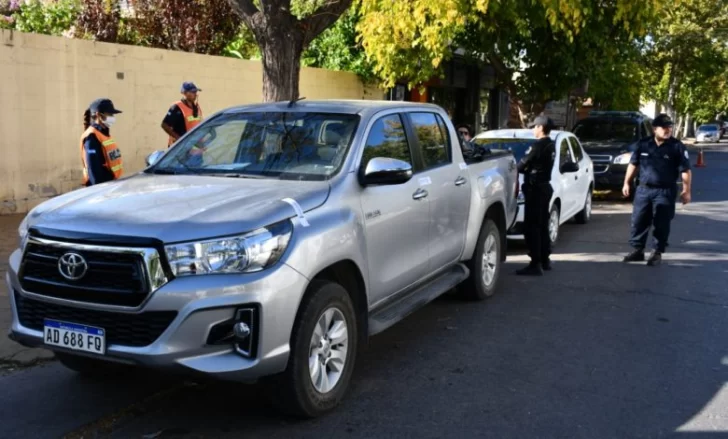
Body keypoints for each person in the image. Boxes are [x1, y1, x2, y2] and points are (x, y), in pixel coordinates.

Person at [622, 113, 692, 266]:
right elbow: (633, 164)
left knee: (661, 222)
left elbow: (685, 170)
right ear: (655, 129)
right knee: (638, 220)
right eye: (664, 127)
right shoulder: (644, 144)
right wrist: (626, 183)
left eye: (670, 127)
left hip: (665, 191)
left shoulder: (676, 146)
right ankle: (637, 250)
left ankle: (657, 252)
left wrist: (686, 190)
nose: (668, 130)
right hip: (643, 190)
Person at [516, 115, 556, 276]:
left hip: (535, 189)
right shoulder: (551, 145)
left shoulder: (538, 146)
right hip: (544, 187)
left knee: (532, 227)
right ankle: (545, 260)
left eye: (534, 126)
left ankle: (535, 263)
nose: (533, 129)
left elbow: (521, 165)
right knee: (542, 225)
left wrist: (520, 168)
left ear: (540, 127)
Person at [81, 98, 123, 186]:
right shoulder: (91, 137)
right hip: (102, 188)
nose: (112, 117)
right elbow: (94, 172)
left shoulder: (104, 134)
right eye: (110, 114)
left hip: (112, 184)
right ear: (98, 115)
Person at [161, 81, 203, 148]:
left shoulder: (197, 107)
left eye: (196, 92)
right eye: (193, 92)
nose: (195, 94)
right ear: (185, 93)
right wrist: (180, 140)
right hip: (181, 150)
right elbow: (165, 125)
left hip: (195, 149)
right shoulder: (176, 107)